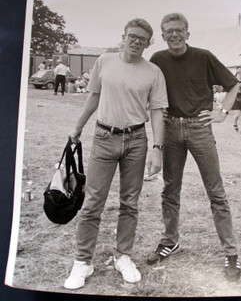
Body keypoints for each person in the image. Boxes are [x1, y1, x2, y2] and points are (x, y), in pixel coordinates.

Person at [64, 18, 168, 290]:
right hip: (103, 137)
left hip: (136, 140)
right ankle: (83, 261)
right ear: (123, 36)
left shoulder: (153, 72)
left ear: (148, 43)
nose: (136, 42)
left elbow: (157, 111)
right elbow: (94, 96)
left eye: (142, 39)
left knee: (130, 202)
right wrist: (77, 128)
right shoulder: (105, 61)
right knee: (93, 202)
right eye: (132, 36)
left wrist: (158, 149)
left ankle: (123, 256)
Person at [146, 13, 241, 282]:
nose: (174, 35)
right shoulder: (158, 60)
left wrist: (221, 112)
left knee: (216, 192)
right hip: (171, 131)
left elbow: (233, 84)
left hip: (200, 129)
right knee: (170, 189)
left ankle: (231, 252)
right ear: (163, 35)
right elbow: (147, 89)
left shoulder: (204, 56)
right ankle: (170, 241)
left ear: (188, 33)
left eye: (179, 30)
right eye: (168, 31)